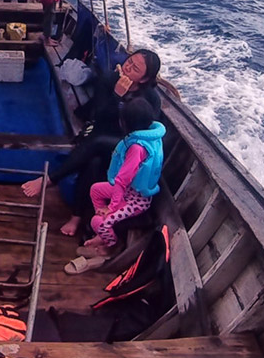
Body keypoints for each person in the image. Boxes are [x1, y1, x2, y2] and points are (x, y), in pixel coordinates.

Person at [21, 49, 162, 236]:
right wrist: (116, 95)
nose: (128, 67)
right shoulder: (109, 81)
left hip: (129, 145)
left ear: (144, 79)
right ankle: (76, 217)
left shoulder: (150, 99)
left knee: (97, 144)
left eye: (135, 68)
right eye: (129, 61)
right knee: (93, 160)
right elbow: (99, 116)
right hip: (103, 132)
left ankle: (50, 179)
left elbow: (145, 132)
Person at [82, 100, 165, 256]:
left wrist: (111, 208)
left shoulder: (136, 148)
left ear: (124, 123)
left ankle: (110, 245)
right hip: (130, 191)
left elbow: (122, 180)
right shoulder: (152, 137)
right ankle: (103, 233)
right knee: (95, 190)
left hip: (136, 200)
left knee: (98, 222)